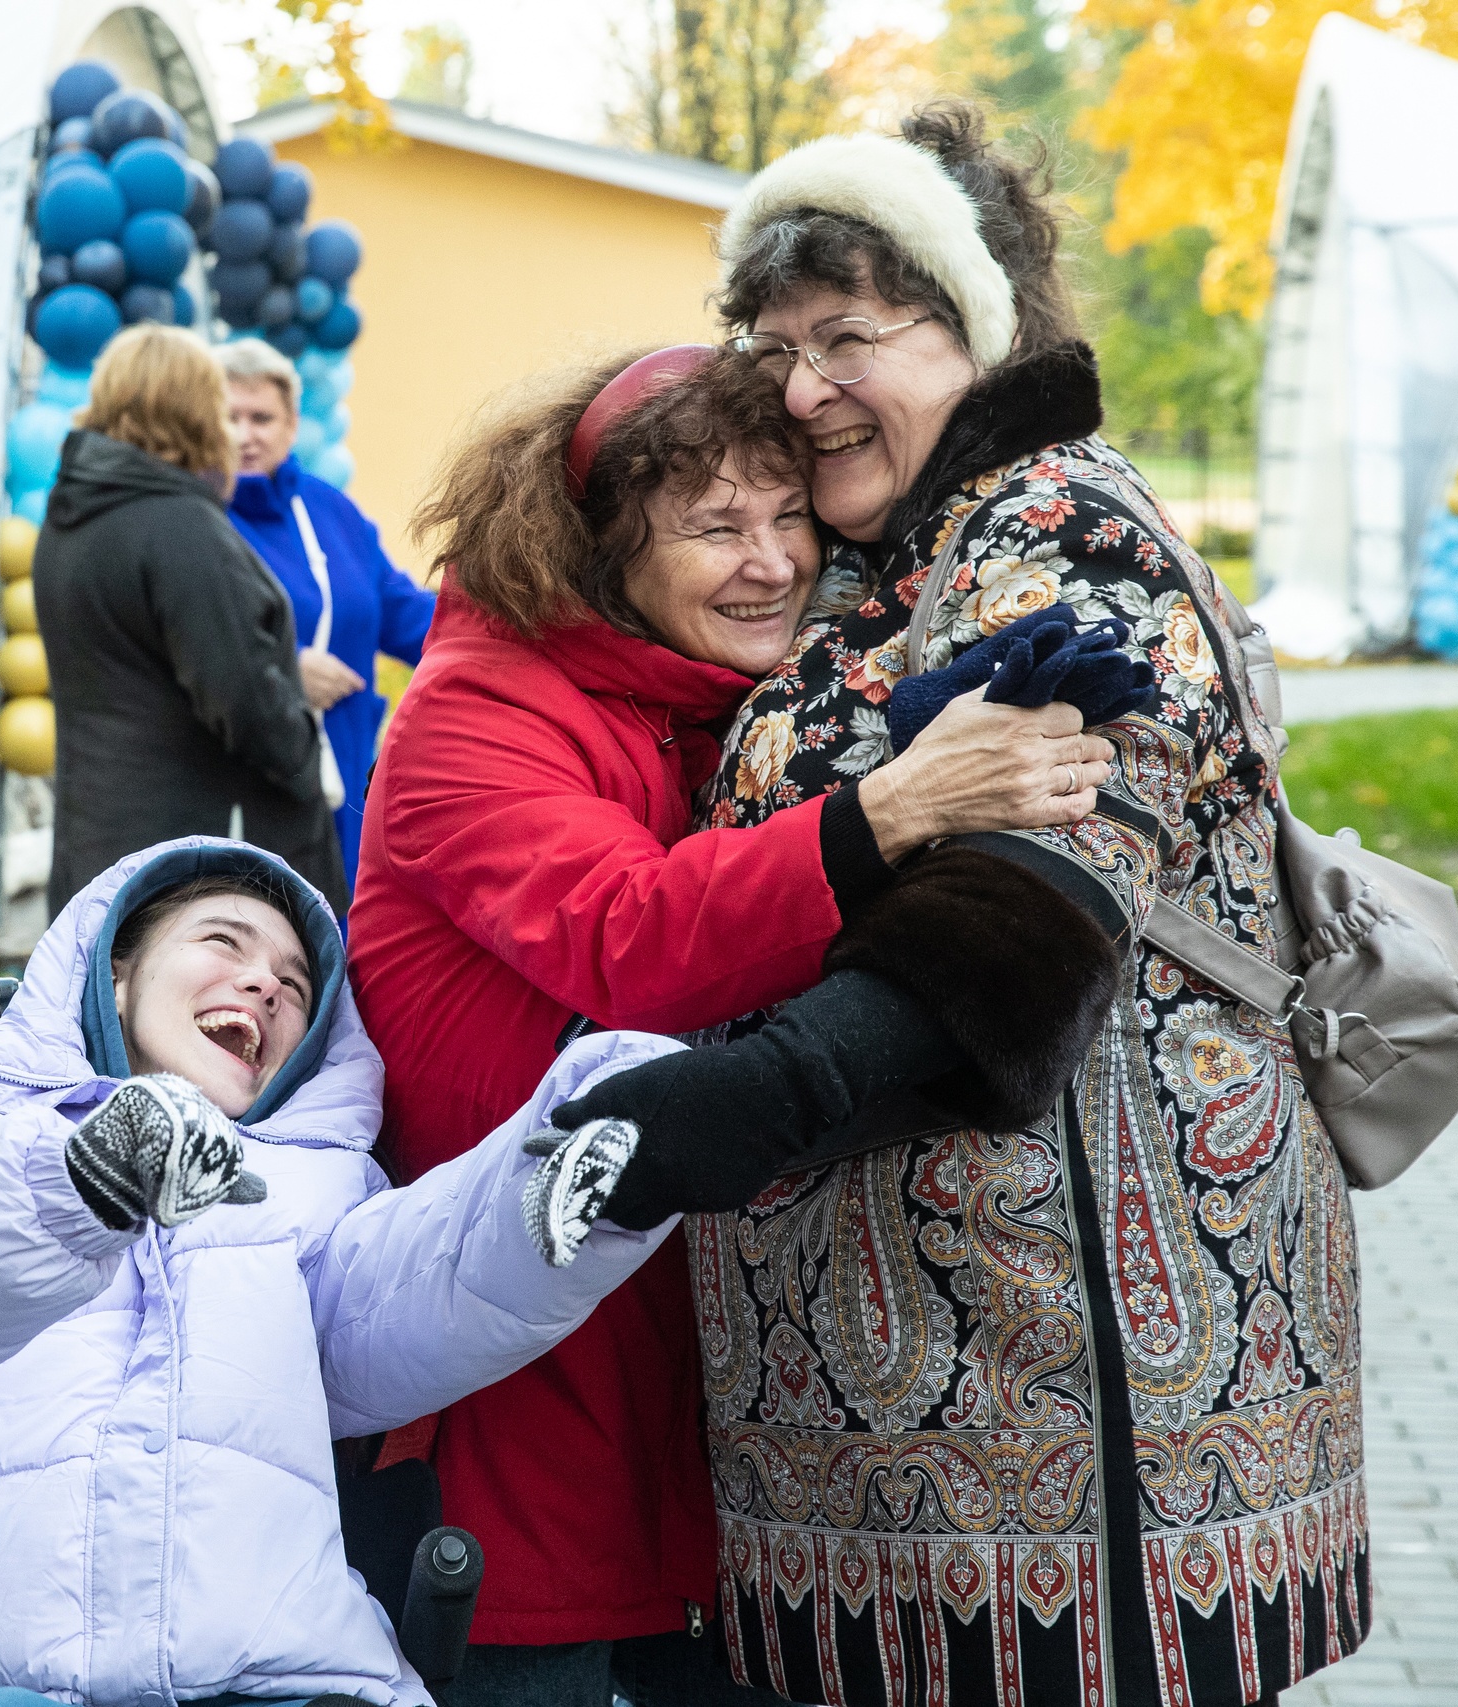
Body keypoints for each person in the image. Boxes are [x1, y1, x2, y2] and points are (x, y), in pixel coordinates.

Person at [0, 833, 1063, 1707]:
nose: (262, 987)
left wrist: (604, 1154)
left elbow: (411, 1294)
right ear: (117, 957)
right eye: (222, 943)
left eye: (296, 982)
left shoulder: (301, 1188)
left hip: (283, 1676)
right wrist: (79, 1178)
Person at [685, 104, 1364, 1707]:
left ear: (976, 322)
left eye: (850, 332)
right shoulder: (873, 560)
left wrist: (748, 1092)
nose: (802, 388)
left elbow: (1041, 890)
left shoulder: (1059, 524)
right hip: (899, 1416)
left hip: (1075, 1397)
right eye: (775, 344)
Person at [346, 346, 1130, 1707]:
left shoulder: (715, 703)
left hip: (700, 1412)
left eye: (789, 518)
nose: (770, 562)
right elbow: (632, 936)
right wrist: (891, 805)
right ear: (598, 549)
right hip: (517, 1397)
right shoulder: (474, 711)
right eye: (716, 527)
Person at [33, 325, 344, 915]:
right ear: (197, 408)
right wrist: (307, 757)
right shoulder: (180, 528)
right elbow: (245, 703)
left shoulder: (72, 520)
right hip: (192, 862)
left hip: (100, 837)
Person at [219, 340, 434, 887]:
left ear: (292, 425)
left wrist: (508, 617)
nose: (247, 435)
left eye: (262, 417)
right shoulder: (197, 518)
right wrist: (285, 672)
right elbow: (177, 642)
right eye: (230, 417)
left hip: (346, 774)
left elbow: (400, 612)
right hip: (250, 784)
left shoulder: (331, 510)